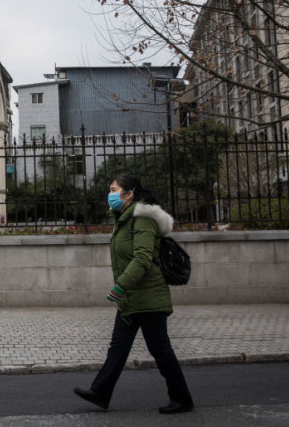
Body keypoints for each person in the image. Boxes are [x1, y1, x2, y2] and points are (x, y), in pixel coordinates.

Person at [74, 174, 194, 414]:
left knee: (160, 349)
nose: (110, 194)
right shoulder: (124, 220)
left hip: (148, 298)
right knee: (117, 348)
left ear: (129, 194)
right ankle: (100, 391)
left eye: (113, 189)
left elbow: (142, 259)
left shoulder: (142, 221)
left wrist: (121, 286)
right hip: (132, 299)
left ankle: (182, 398)